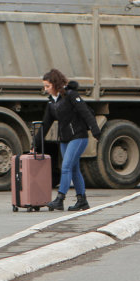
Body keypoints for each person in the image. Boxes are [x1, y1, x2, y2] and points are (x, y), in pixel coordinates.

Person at [37, 68, 101, 211]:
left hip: (78, 137)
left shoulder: (71, 95)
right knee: (73, 168)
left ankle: (60, 199)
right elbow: (45, 125)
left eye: (47, 86)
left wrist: (96, 131)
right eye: (44, 86)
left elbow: (85, 112)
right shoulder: (51, 102)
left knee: (65, 167)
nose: (45, 89)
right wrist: (35, 144)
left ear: (55, 84)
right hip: (65, 139)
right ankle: (82, 201)